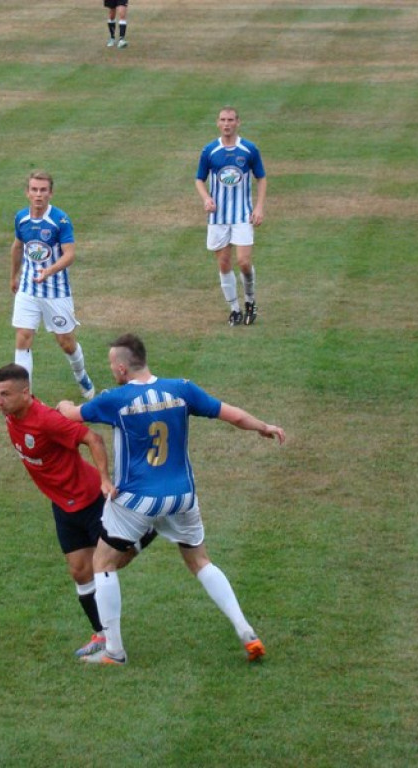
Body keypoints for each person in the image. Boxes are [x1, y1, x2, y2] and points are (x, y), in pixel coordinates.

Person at [57, 333, 286, 666]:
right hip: (182, 497)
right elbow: (233, 414)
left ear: (121, 368)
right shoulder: (182, 389)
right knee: (200, 561)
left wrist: (64, 404)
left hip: (137, 500)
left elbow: (72, 415)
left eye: (111, 364)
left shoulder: (115, 399)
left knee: (102, 564)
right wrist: (262, 426)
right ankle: (245, 629)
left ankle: (114, 652)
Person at [0, 335, 153, 657]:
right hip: (63, 505)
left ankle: (148, 530)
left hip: (91, 499)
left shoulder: (47, 420)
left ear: (26, 393)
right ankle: (101, 635)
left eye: (6, 395)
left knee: (115, 562)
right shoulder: (10, 406)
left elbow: (93, 438)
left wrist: (104, 478)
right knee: (79, 570)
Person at [10, 170, 95, 398]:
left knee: (66, 342)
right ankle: (25, 396)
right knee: (23, 337)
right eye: (34, 190)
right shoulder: (21, 218)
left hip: (56, 292)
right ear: (27, 193)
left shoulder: (60, 220)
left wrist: (49, 271)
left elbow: (69, 255)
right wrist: (14, 276)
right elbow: (18, 247)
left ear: (51, 193)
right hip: (28, 289)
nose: (38, 195)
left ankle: (81, 376)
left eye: (43, 190)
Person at [195, 106, 267, 326]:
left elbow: (261, 178)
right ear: (218, 123)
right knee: (224, 264)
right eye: (223, 120)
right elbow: (199, 179)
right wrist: (206, 198)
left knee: (244, 262)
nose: (227, 124)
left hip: (242, 215)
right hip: (218, 218)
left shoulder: (249, 149)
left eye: (231, 120)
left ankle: (250, 301)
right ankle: (234, 309)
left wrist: (259, 207)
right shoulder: (209, 151)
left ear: (238, 122)